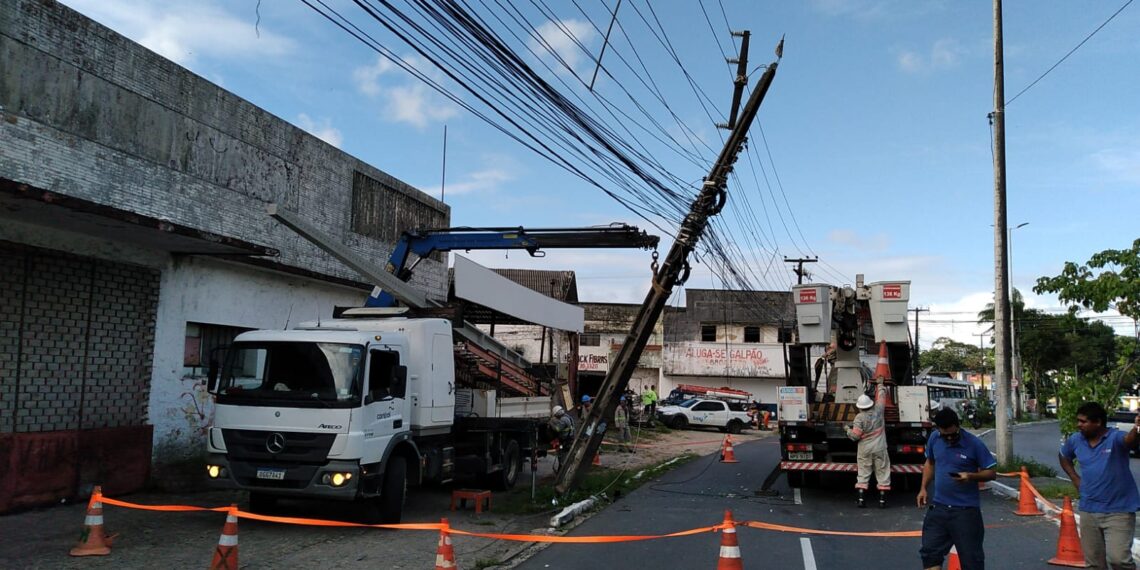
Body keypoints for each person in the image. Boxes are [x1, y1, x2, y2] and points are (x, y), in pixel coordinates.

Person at [1058, 402, 1140, 570]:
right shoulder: (1076, 440)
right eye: (1078, 421)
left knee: (1119, 560)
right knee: (1094, 564)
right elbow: (1063, 456)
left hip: (1118, 511)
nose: (1078, 425)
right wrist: (1075, 478)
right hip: (1089, 509)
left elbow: (1129, 441)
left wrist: (1136, 428)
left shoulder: (1115, 438)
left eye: (1083, 421)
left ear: (1098, 422)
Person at [917, 407, 997, 570]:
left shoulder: (974, 444)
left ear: (958, 426)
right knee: (930, 555)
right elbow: (930, 463)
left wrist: (971, 476)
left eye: (953, 435)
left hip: (965, 512)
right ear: (938, 430)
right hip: (939, 509)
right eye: (945, 436)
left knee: (972, 561)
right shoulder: (934, 439)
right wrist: (923, 488)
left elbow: (991, 472)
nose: (950, 439)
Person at [847, 379, 891, 508]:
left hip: (865, 449)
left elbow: (855, 436)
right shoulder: (879, 411)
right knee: (883, 472)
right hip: (880, 448)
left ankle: (861, 499)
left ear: (859, 407)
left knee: (864, 473)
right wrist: (880, 384)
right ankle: (882, 501)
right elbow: (882, 396)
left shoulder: (859, 418)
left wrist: (847, 430)